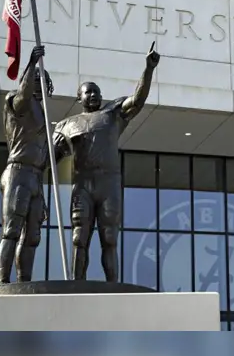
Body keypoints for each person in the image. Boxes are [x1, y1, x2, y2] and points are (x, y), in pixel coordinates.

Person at [53, 44, 160, 281]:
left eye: (97, 92)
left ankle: (113, 285)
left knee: (109, 238)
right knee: (79, 239)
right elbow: (49, 161)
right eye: (88, 92)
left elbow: (138, 100)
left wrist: (148, 69)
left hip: (108, 184)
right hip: (82, 186)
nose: (94, 95)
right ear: (78, 97)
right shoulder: (66, 125)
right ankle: (76, 284)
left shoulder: (113, 114)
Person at [0, 45, 53, 283]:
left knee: (32, 236)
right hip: (18, 172)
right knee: (11, 231)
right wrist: (31, 64)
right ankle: (3, 281)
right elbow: (23, 94)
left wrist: (41, 189)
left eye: (44, 78)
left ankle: (24, 282)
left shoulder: (42, 112)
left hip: (34, 177)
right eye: (37, 78)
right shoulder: (17, 102)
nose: (41, 83)